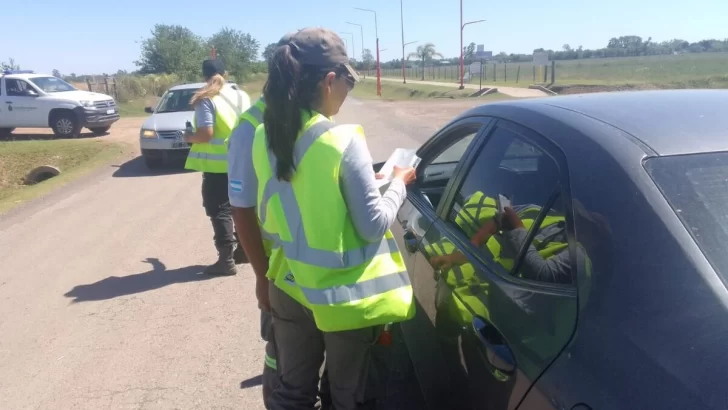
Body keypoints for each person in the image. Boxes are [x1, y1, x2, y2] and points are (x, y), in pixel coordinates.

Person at [237, 27, 417, 409]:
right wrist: (398, 184)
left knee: (292, 391)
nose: (344, 98)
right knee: (345, 396)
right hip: (342, 299)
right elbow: (371, 226)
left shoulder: (262, 137)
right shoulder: (342, 140)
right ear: (328, 80)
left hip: (288, 284)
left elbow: (285, 205)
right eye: (346, 87)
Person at [227, 32, 332, 409]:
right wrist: (260, 277)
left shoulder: (316, 120)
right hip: (282, 277)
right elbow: (241, 209)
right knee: (285, 372)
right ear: (318, 79)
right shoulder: (251, 128)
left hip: (323, 277)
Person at [185, 59, 251, 275]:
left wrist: (189, 137)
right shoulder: (242, 95)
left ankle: (226, 260)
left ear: (204, 76)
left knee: (219, 210)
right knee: (240, 205)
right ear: (226, 71)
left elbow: (206, 134)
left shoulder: (206, 98)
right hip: (243, 162)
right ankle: (244, 251)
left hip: (218, 167)